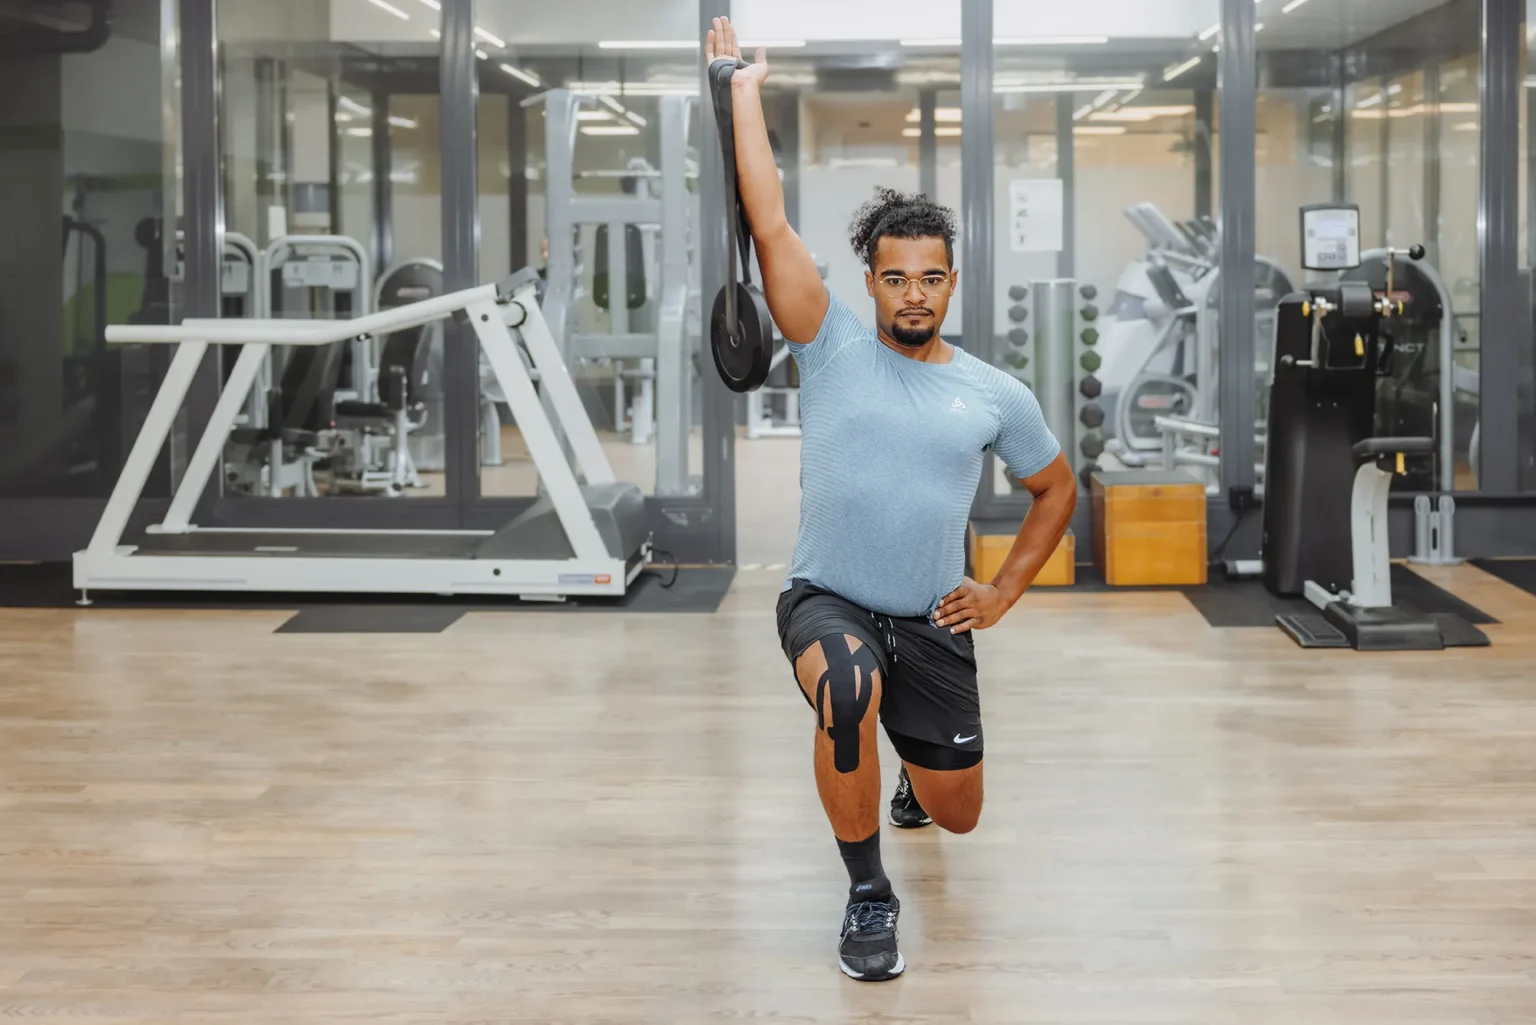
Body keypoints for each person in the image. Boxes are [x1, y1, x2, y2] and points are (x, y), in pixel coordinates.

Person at [706, 20, 1078, 982]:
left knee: (960, 813)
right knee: (845, 692)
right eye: (895, 276)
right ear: (869, 279)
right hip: (827, 596)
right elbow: (770, 222)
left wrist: (1000, 593)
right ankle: (869, 895)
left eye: (931, 277)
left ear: (952, 281)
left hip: (931, 616)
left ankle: (917, 780)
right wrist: (743, 90)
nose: (914, 293)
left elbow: (1055, 487)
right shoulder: (828, 345)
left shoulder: (995, 393)